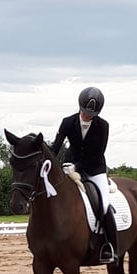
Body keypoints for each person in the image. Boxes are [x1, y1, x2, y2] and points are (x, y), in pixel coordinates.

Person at [50, 86, 118, 264]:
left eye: (91, 114)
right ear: (80, 107)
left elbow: (97, 154)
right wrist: (48, 162)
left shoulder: (103, 126)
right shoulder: (67, 122)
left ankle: (111, 248)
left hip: (94, 169)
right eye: (85, 112)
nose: (87, 116)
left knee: (104, 205)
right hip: (69, 167)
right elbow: (56, 147)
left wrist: (77, 167)